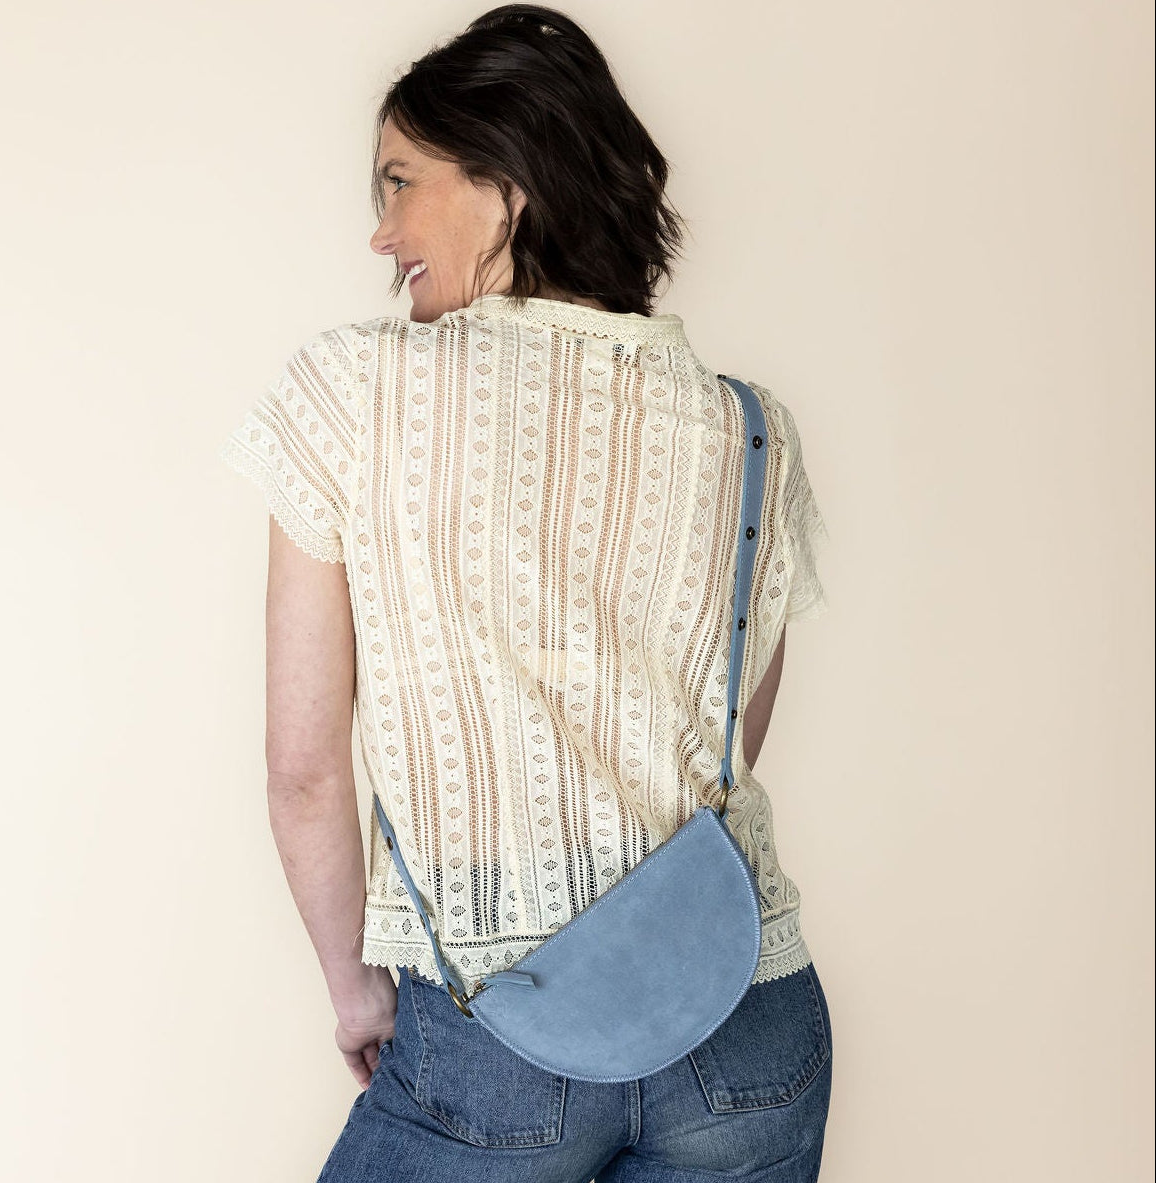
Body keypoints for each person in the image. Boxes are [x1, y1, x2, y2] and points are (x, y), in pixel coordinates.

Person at [217, 6, 834, 1180]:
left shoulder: (353, 392)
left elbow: (302, 764)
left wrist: (353, 988)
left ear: (505, 186)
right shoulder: (748, 429)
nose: (378, 232)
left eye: (399, 183)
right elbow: (730, 733)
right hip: (746, 1019)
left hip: (489, 1026)